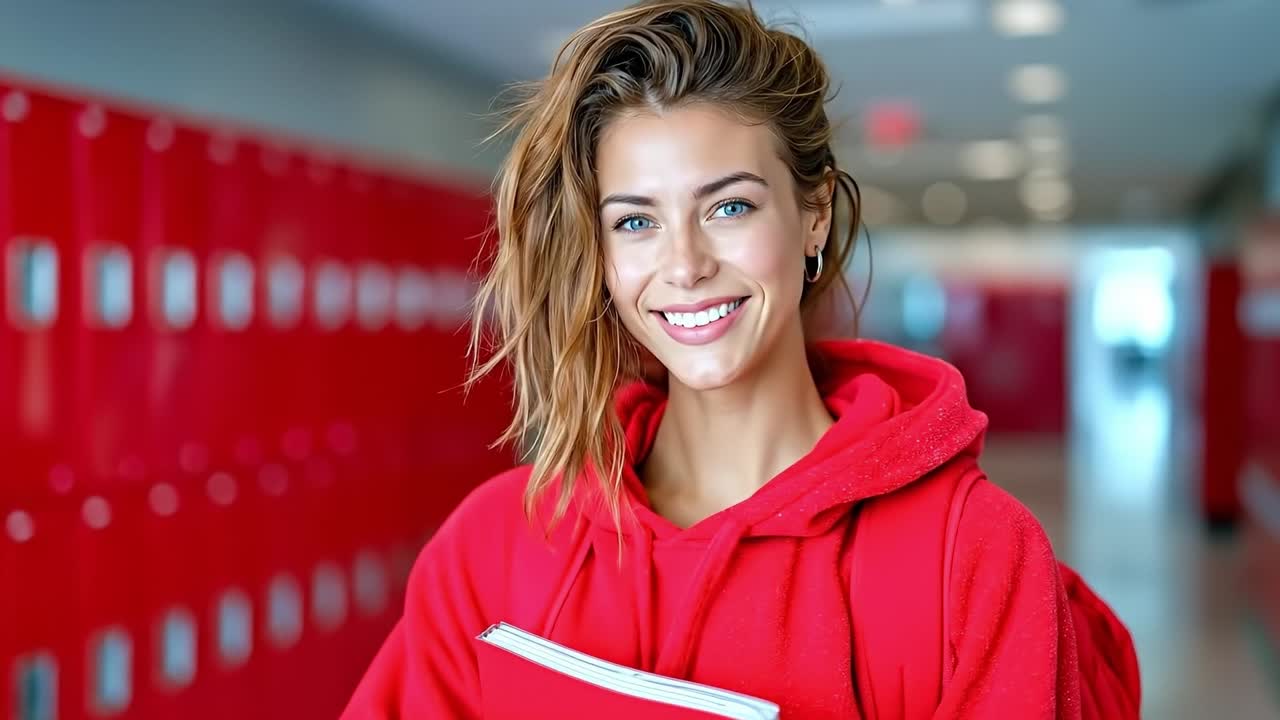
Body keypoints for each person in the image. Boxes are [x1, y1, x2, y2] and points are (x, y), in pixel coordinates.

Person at [342, 1, 1140, 717]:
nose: (684, 264)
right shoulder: (498, 543)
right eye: (634, 222)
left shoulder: (969, 558)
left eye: (729, 207)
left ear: (814, 215)